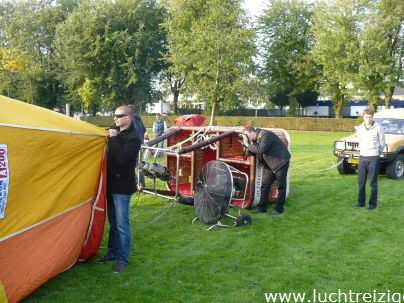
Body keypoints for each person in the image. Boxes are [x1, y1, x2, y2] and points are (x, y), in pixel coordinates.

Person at [98, 105, 141, 273]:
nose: (115, 118)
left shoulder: (134, 137)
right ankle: (112, 252)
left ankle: (123, 259)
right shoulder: (115, 130)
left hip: (122, 188)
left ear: (129, 117)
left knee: (123, 225)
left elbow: (121, 158)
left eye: (119, 115)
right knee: (113, 223)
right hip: (111, 185)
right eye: (114, 115)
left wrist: (114, 138)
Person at [242, 126, 291, 215]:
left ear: (251, 132)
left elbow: (261, 150)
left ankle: (278, 209)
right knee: (265, 186)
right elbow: (255, 152)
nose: (246, 137)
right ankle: (262, 208)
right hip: (270, 164)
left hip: (281, 161)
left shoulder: (266, 135)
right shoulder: (255, 139)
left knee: (281, 186)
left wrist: (247, 144)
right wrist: (246, 145)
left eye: (246, 135)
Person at [355, 108, 385, 210]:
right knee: (361, 182)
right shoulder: (359, 128)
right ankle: (361, 202)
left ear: (372, 117)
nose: (368, 119)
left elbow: (382, 142)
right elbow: (359, 140)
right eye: (366, 117)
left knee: (373, 182)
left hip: (373, 158)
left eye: (370, 117)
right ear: (363, 117)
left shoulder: (378, 128)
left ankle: (372, 204)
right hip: (362, 157)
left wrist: (377, 153)